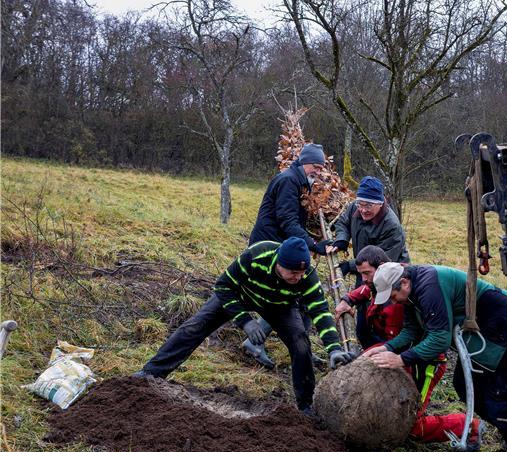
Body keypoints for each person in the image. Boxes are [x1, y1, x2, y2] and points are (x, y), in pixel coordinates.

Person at [134, 237, 355, 414]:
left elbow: (320, 311)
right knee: (195, 326)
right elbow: (223, 286)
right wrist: (245, 321)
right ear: (279, 263)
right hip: (241, 294)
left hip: (280, 306)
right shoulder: (257, 254)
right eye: (293, 273)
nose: (298, 277)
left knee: (300, 343)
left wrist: (333, 349)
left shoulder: (307, 277)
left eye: (301, 273)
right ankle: (151, 373)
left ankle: (305, 406)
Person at [364, 262, 507, 452]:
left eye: (393, 295)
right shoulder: (410, 294)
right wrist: (387, 347)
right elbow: (411, 330)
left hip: (501, 323)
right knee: (464, 386)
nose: (393, 301)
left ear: (403, 283)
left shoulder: (428, 289)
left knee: (499, 395)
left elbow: (440, 339)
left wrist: (401, 359)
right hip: (482, 329)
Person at [334, 246, 483, 451]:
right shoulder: (388, 283)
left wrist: (379, 353)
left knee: (411, 426)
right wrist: (348, 299)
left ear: (382, 268)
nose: (364, 279)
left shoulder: (401, 297)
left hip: (424, 363)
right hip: (402, 358)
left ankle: (468, 426)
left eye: (367, 273)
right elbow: (369, 289)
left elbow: (403, 339)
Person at [244, 143, 334, 368]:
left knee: (300, 298)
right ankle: (254, 342)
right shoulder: (288, 181)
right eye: (315, 166)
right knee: (284, 299)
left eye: (321, 168)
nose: (318, 172)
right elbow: (287, 221)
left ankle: (302, 350)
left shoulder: (300, 182)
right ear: (304, 162)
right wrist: (314, 245)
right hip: (268, 247)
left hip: (281, 246)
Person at [326, 176, 410, 348]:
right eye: (360, 204)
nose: (363, 210)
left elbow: (382, 265)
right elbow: (343, 223)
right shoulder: (354, 208)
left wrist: (350, 266)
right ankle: (367, 352)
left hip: (390, 279)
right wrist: (342, 239)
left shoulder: (391, 226)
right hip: (364, 271)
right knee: (363, 323)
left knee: (385, 323)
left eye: (369, 205)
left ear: (381, 202)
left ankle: (390, 354)